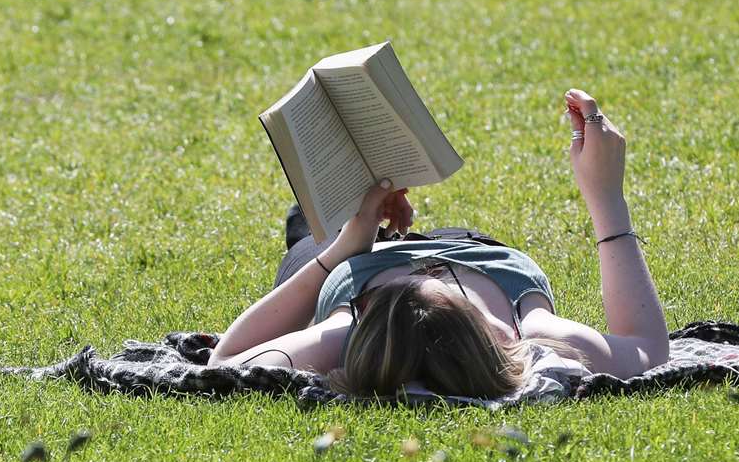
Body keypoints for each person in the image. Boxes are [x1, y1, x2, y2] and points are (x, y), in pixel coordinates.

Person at [208, 89, 670, 397]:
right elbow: (647, 345)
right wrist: (607, 197)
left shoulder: (339, 337)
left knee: (311, 226)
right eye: (450, 286)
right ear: (501, 336)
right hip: (478, 248)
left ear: (365, 314)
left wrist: (345, 250)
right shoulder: (539, 337)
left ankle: (326, 231)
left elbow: (224, 362)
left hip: (354, 263)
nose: (429, 267)